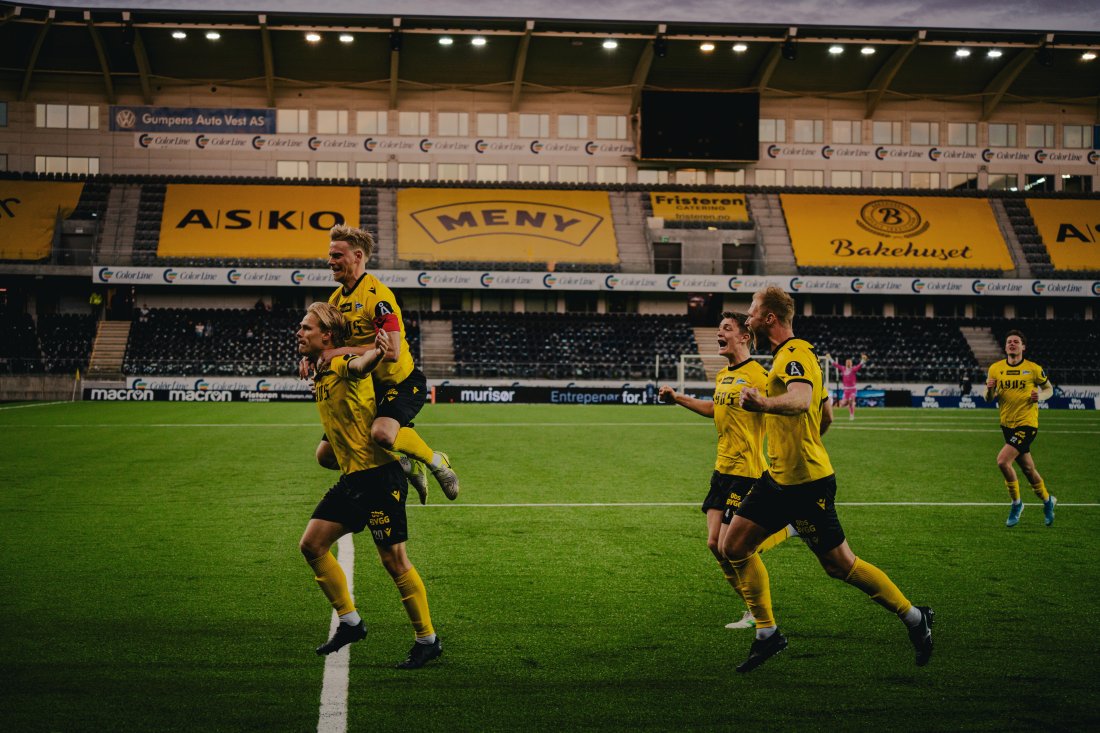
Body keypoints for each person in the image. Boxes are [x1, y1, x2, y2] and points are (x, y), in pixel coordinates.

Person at [721, 286, 933, 673]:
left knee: (841, 566)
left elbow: (802, 400)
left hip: (807, 486)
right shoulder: (785, 357)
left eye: (752, 312)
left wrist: (764, 404)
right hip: (777, 478)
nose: (746, 318)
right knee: (732, 545)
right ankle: (768, 635)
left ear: (769, 318)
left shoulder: (796, 353)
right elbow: (825, 415)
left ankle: (915, 618)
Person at [296, 302, 442, 669]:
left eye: (306, 328)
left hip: (379, 478)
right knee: (312, 545)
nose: (299, 332)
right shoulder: (321, 366)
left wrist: (377, 350)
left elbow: (360, 365)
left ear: (327, 336)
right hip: (353, 479)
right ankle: (350, 622)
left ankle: (427, 640)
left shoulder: (341, 364)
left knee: (394, 561)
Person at [659, 312, 798, 630]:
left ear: (744, 336)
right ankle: (752, 609)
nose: (718, 333)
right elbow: (714, 409)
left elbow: (783, 407)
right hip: (722, 469)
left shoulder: (759, 375)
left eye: (726, 328)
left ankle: (788, 528)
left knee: (732, 545)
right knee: (714, 545)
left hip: (746, 471)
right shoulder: (723, 375)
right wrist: (677, 397)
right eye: (718, 328)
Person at [305, 224, 458, 504]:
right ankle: (405, 464)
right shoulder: (335, 300)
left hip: (399, 382)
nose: (330, 261)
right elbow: (323, 340)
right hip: (364, 387)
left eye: (337, 255)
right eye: (330, 255)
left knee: (383, 434)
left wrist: (339, 351)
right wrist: (309, 356)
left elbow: (392, 351)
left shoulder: (378, 297)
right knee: (326, 456)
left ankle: (437, 461)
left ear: (358, 256)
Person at [983, 330, 1055, 527]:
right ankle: (1048, 501)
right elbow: (988, 398)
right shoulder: (995, 369)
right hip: (1007, 425)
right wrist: (989, 388)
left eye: (1016, 342)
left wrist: (1040, 397)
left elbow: (1049, 389)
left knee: (1002, 461)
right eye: (1009, 342)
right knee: (1029, 470)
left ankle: (1017, 503)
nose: (1012, 344)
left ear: (1023, 347)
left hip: (1027, 424)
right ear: (1005, 347)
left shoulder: (1033, 369)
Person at [826, 352, 868, 421]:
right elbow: (835, 365)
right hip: (846, 390)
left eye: (849, 362)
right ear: (846, 363)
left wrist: (863, 360)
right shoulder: (843, 369)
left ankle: (852, 415)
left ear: (851, 363)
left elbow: (860, 365)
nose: (848, 363)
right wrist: (829, 358)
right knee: (843, 403)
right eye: (847, 362)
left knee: (851, 400)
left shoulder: (853, 369)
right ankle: (832, 413)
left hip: (852, 389)